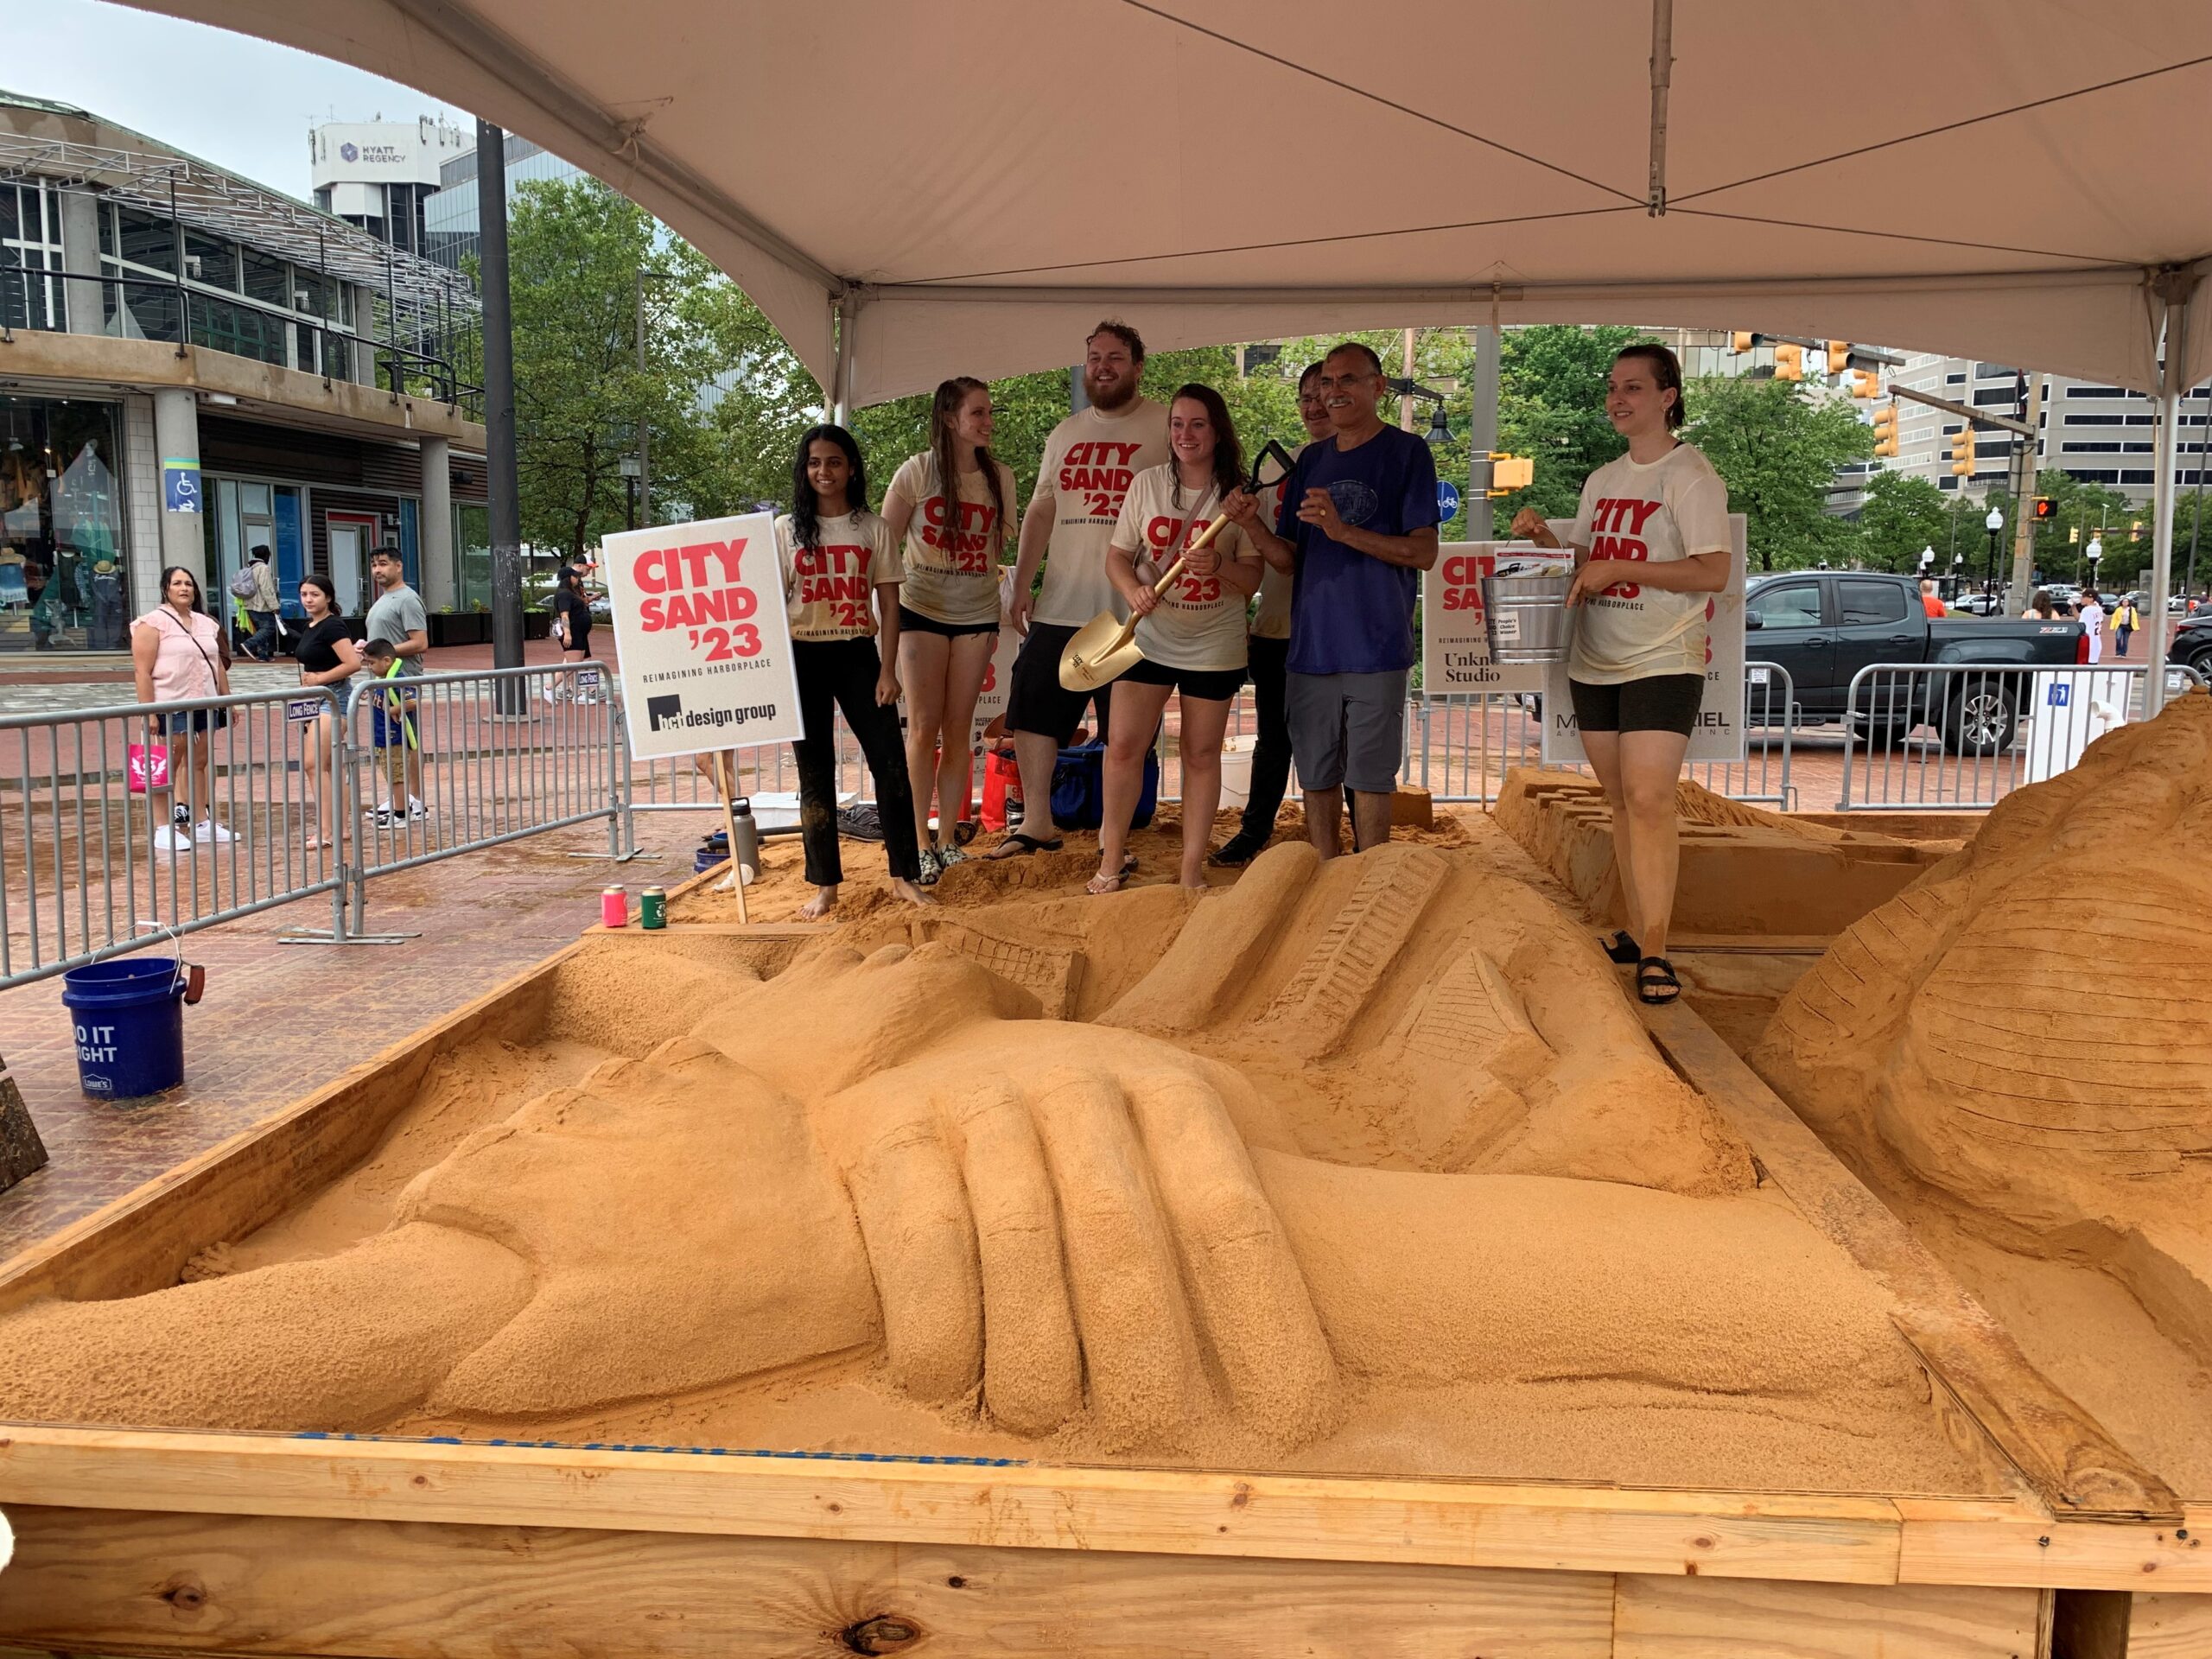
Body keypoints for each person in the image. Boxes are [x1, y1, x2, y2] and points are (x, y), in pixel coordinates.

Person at [1507, 342, 1732, 1007]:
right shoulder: (1603, 479)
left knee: (1651, 799)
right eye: (1613, 387)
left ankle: (1658, 949)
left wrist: (1621, 570)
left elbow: (1713, 571)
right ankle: (1638, 929)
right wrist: (1547, 543)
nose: (1618, 398)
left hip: (1663, 654)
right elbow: (1589, 558)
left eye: (1634, 387)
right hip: (1595, 656)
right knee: (1620, 801)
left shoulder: (1690, 476)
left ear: (1668, 397)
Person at [1224, 341, 1440, 861]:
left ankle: (1369, 879)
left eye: (1348, 380)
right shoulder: (1311, 461)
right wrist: (1249, 523)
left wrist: (1344, 533)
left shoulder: (1408, 452)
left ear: (1378, 387)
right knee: (1316, 774)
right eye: (1327, 383)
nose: (1333, 392)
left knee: (1369, 778)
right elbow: (1287, 559)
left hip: (1376, 646)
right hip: (1310, 647)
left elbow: (1425, 553)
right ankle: (1324, 877)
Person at [990, 321, 1172, 859]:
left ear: (1138, 366)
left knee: (1126, 735)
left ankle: (1113, 841)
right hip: (1061, 603)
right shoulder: (1065, 432)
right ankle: (1038, 825)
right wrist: (1022, 584)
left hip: (1134, 611)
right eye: (1095, 357)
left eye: (1116, 357)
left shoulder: (1165, 425)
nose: (1104, 367)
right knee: (1032, 708)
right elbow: (1042, 509)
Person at [1090, 385, 1262, 894]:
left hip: (1214, 642)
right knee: (1122, 746)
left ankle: (1191, 867)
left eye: (1198, 424)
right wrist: (1133, 590)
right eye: (1177, 424)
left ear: (1217, 431)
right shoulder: (1146, 485)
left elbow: (1252, 579)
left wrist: (1220, 566)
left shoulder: (1238, 498)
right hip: (1148, 638)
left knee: (1202, 754)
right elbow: (1117, 556)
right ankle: (1111, 859)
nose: (1185, 435)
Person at [774, 423, 931, 918]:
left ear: (852, 468)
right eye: (815, 462)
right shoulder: (784, 530)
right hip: (802, 657)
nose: (825, 471)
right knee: (814, 773)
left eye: (835, 462)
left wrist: (888, 670)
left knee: (889, 764)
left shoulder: (873, 529)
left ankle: (904, 874)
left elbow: (890, 605)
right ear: (805, 470)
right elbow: (774, 607)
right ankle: (824, 885)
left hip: (858, 654)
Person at [881, 378, 1018, 883]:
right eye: (978, 413)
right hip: (921, 610)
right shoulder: (917, 471)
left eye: (989, 412)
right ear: (949, 418)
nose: (987, 422)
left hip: (977, 613)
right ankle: (918, 840)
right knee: (923, 728)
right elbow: (885, 544)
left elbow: (996, 551)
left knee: (960, 728)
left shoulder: (1000, 476)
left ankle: (948, 839)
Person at [1212, 361, 1336, 868]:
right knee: (1273, 739)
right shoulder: (1279, 468)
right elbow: (1253, 552)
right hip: (1277, 626)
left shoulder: (1355, 460)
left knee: (1333, 742)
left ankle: (1336, 840)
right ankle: (1254, 831)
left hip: (1332, 630)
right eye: (1305, 396)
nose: (1313, 406)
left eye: (1321, 394)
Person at [130, 565, 234, 853]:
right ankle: (163, 826)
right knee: (164, 767)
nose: (184, 588)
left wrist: (227, 699)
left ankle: (201, 820)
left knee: (199, 763)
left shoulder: (206, 624)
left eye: (189, 583)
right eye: (177, 583)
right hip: (169, 702)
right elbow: (142, 671)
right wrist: (148, 711)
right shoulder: (151, 624)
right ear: (166, 588)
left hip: (204, 701)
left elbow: (216, 665)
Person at [292, 573, 361, 852]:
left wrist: (319, 679)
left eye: (314, 594)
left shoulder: (332, 626)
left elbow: (352, 663)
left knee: (313, 764)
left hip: (333, 697)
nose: (308, 599)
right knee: (329, 766)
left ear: (328, 598)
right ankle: (340, 827)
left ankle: (326, 829)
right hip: (316, 699)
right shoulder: (312, 626)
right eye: (304, 594)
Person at [363, 545, 429, 821]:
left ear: (398, 566)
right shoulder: (383, 599)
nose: (378, 569)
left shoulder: (407, 599)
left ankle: (414, 801)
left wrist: (382, 653)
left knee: (406, 742)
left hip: (402, 682)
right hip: (383, 684)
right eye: (375, 564)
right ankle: (401, 798)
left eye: (384, 564)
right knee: (391, 742)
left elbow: (420, 642)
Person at [548, 566, 595, 702]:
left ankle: (578, 695)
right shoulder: (564, 594)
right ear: (568, 578)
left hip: (579, 631)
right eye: (575, 576)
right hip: (572, 632)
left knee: (576, 663)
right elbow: (564, 615)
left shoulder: (571, 593)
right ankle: (549, 687)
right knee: (573, 663)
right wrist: (567, 633)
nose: (577, 578)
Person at [244, 545, 282, 661]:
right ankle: (248, 644)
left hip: (249, 604)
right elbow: (266, 588)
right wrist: (274, 606)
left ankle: (263, 656)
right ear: (266, 555)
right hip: (260, 606)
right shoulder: (263, 568)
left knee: (261, 629)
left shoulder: (249, 568)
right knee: (269, 628)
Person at [2078, 587, 2106, 664]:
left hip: (2088, 644)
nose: (2081, 599)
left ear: (2090, 598)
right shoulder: (2098, 608)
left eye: (2084, 597)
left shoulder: (2087, 610)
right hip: (2097, 643)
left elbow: (2081, 627)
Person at [2112, 593, 2139, 658]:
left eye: (2126, 601)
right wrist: (2113, 626)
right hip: (2120, 626)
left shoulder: (2132, 609)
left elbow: (2134, 619)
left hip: (2127, 626)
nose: (2125, 603)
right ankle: (2118, 652)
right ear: (2121, 602)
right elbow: (2114, 618)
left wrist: (2136, 627)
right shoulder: (2118, 609)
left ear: (2128, 603)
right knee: (2118, 638)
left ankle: (2123, 653)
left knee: (2125, 640)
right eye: (2124, 601)